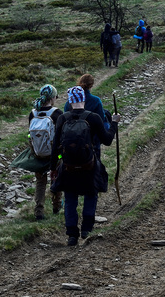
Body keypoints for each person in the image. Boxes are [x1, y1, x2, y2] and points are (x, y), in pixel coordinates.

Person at [51, 86, 120, 245]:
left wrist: (53, 168)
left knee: (70, 199)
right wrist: (114, 123)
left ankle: (72, 235)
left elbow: (55, 147)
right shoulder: (94, 117)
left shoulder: (63, 118)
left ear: (70, 101)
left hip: (67, 166)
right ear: (83, 99)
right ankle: (86, 229)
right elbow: (108, 140)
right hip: (89, 165)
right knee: (91, 194)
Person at [27, 85, 63, 220]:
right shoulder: (57, 113)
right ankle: (56, 206)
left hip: (38, 154)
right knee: (56, 178)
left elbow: (30, 135)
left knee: (40, 182)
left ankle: (39, 211)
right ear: (52, 97)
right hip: (55, 154)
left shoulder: (33, 113)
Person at [64, 74, 110, 158]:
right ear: (91, 85)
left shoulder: (69, 103)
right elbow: (101, 118)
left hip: (72, 140)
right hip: (92, 141)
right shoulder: (96, 101)